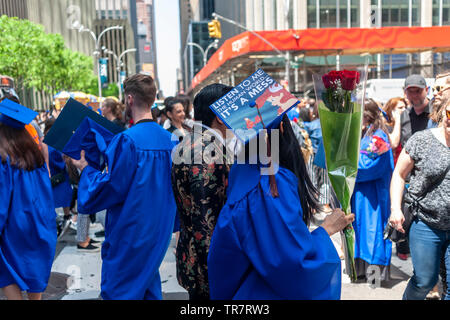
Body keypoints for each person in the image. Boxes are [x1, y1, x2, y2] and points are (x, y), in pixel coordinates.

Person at [207, 114, 355, 300]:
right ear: (283, 130)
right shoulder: (270, 186)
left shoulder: (242, 171)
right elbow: (293, 263)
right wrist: (326, 230)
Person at [71, 73, 177, 300]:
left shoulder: (128, 140)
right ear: (153, 97)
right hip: (159, 229)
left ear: (129, 99)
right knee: (148, 286)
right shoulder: (170, 140)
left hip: (131, 230)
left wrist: (86, 169)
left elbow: (112, 187)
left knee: (120, 291)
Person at [171, 84, 233, 300]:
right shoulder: (208, 152)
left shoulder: (191, 142)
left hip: (193, 259)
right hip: (207, 268)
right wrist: (217, 271)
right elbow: (204, 221)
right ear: (221, 117)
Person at [389, 96, 450, 300]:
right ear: (442, 113)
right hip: (426, 222)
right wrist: (396, 209)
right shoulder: (422, 140)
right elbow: (399, 174)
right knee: (425, 279)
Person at [0, 99, 57, 300]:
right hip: (39, 222)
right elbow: (46, 193)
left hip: (14, 225)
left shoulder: (4, 158)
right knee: (35, 271)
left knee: (5, 272)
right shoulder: (35, 155)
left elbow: (2, 201)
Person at [351, 99, 394, 283]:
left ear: (366, 116)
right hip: (363, 194)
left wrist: (345, 162)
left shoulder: (378, 137)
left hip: (373, 195)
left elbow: (367, 166)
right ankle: (361, 271)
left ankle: (375, 278)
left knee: (373, 231)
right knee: (361, 230)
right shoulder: (366, 133)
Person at [395, 74, 433, 260]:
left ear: (426, 90)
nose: (414, 95)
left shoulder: (437, 114)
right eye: (410, 92)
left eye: (418, 91)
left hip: (433, 181)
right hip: (410, 182)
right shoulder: (404, 116)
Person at [44, 119, 75, 238]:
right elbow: (56, 157)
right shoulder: (52, 140)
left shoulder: (46, 139)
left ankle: (65, 218)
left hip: (54, 174)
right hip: (59, 174)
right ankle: (63, 219)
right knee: (63, 197)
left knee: (58, 199)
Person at [383, 97, 407, 165]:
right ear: (391, 111)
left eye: (405, 107)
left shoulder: (406, 125)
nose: (404, 110)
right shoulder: (385, 127)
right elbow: (394, 144)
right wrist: (397, 119)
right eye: (400, 108)